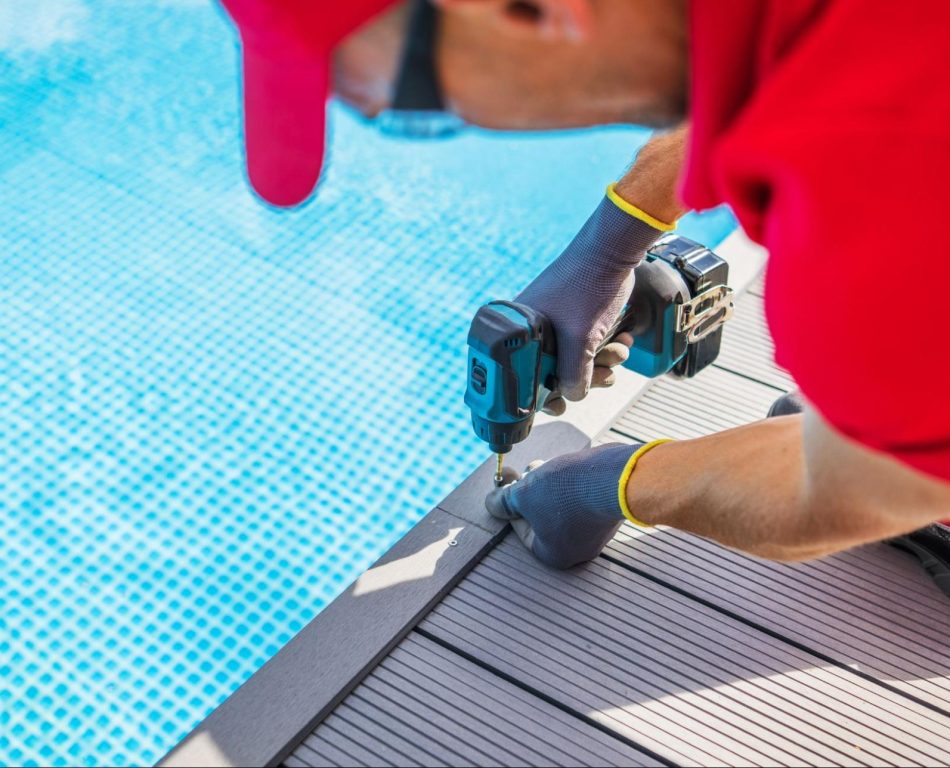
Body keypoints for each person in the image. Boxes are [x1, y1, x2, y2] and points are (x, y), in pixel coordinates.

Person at [217, 0, 950, 588]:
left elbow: (832, 493)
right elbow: (754, 55)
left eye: (416, 114)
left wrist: (613, 485)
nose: (463, 124)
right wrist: (612, 240)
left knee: (887, 440)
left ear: (530, 10)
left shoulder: (880, 258)